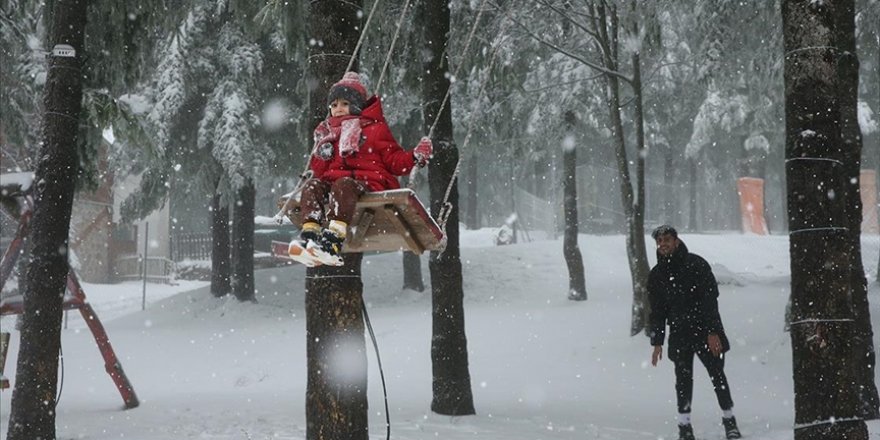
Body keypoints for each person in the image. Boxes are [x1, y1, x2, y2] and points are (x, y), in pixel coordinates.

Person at [287, 72, 433, 266]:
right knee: (313, 185)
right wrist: (321, 152)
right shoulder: (329, 133)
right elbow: (320, 172)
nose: (338, 109)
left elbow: (394, 161)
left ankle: (332, 241)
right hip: (336, 185)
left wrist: (414, 156)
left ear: (356, 105)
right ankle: (310, 236)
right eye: (334, 105)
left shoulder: (374, 129)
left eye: (344, 104)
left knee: (344, 184)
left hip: (368, 183)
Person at [648, 225, 741, 440]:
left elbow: (709, 301)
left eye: (667, 240)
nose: (663, 244)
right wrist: (657, 341)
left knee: (717, 375)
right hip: (679, 334)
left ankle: (730, 422)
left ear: (676, 241)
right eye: (659, 241)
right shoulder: (657, 275)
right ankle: (685, 427)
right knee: (682, 380)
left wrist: (712, 331)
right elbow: (658, 311)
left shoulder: (696, 265)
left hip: (705, 331)